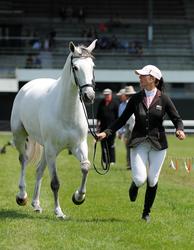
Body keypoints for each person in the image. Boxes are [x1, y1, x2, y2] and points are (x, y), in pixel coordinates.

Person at [97, 65, 185, 222]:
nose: (140, 77)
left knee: (152, 179)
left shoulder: (164, 98)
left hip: (158, 145)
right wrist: (106, 132)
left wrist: (180, 130)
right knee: (139, 179)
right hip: (138, 143)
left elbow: (177, 119)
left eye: (143, 75)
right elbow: (122, 120)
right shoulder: (135, 98)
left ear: (153, 79)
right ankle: (134, 185)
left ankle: (146, 213)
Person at [96, 88, 118, 165]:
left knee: (111, 144)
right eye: (105, 95)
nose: (106, 96)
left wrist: (116, 128)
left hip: (112, 128)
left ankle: (112, 160)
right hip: (103, 128)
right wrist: (97, 127)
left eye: (108, 94)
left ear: (111, 94)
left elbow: (117, 117)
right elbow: (98, 116)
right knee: (103, 145)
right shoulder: (101, 103)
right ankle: (105, 160)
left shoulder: (115, 103)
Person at [123, 86, 136, 169]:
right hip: (129, 126)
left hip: (132, 127)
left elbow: (132, 118)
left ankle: (131, 164)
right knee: (129, 146)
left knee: (130, 146)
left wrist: (131, 129)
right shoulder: (130, 102)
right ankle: (130, 164)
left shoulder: (130, 102)